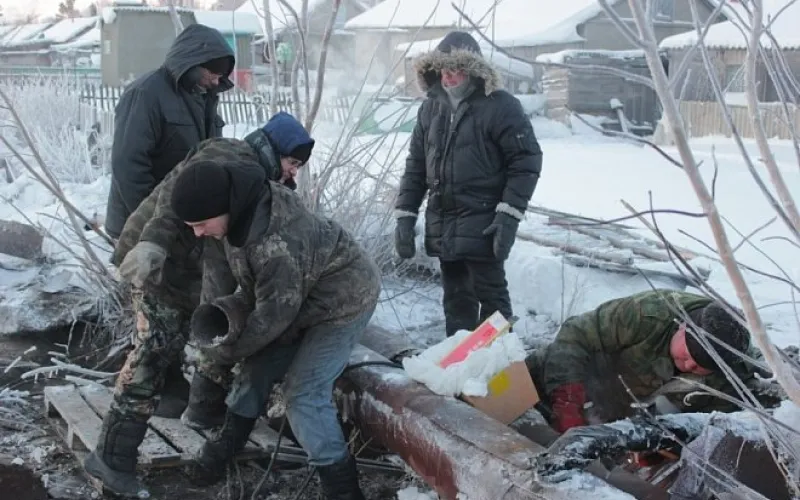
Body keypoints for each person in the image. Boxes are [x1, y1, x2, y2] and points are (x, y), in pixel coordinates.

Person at [83, 115, 315, 498]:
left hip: (194, 272)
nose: (293, 172)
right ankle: (111, 457)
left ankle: (203, 409)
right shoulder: (227, 154)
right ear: (274, 149)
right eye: (292, 162)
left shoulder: (257, 178)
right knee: (154, 355)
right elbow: (175, 204)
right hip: (160, 264)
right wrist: (153, 245)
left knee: (212, 329)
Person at [169, 157, 381, 499]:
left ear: (223, 207)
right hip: (295, 293)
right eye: (191, 225)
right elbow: (231, 285)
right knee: (257, 368)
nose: (197, 232)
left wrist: (223, 355)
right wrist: (217, 335)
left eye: (201, 223)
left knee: (303, 395)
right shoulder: (235, 211)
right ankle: (228, 444)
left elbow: (271, 320)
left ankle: (343, 488)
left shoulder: (276, 244)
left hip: (342, 299)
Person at [393, 30, 543, 338]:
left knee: (493, 305)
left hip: (484, 223)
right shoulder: (430, 109)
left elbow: (526, 161)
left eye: (456, 70)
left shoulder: (501, 106)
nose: (448, 78)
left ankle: (502, 377)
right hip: (444, 221)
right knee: (456, 301)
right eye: (443, 71)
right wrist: (405, 215)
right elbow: (416, 166)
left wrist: (509, 213)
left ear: (473, 69)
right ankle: (461, 373)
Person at [525, 289, 766, 434]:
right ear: (681, 327)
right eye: (686, 355)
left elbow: (707, 425)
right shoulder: (647, 313)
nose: (689, 366)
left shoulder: (732, 376)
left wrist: (660, 444)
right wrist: (567, 398)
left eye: (699, 367)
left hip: (615, 412)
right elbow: (576, 336)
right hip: (563, 380)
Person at [104, 23, 236, 242]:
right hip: (140, 226)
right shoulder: (146, 94)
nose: (216, 81)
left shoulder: (204, 97)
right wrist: (153, 220)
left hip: (181, 222)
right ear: (193, 64)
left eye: (221, 76)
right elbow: (128, 166)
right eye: (213, 73)